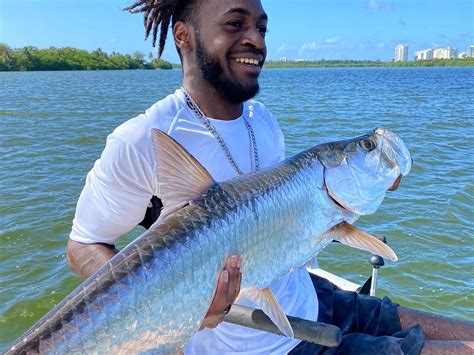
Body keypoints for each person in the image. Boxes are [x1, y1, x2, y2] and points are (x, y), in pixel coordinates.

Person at [67, 0, 474, 353]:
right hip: (259, 343)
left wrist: (360, 191)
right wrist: (165, 298)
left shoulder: (262, 121)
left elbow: (294, 226)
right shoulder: (141, 139)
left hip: (309, 296)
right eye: (235, 24)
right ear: (183, 35)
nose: (256, 40)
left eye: (261, 27)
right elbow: (83, 245)